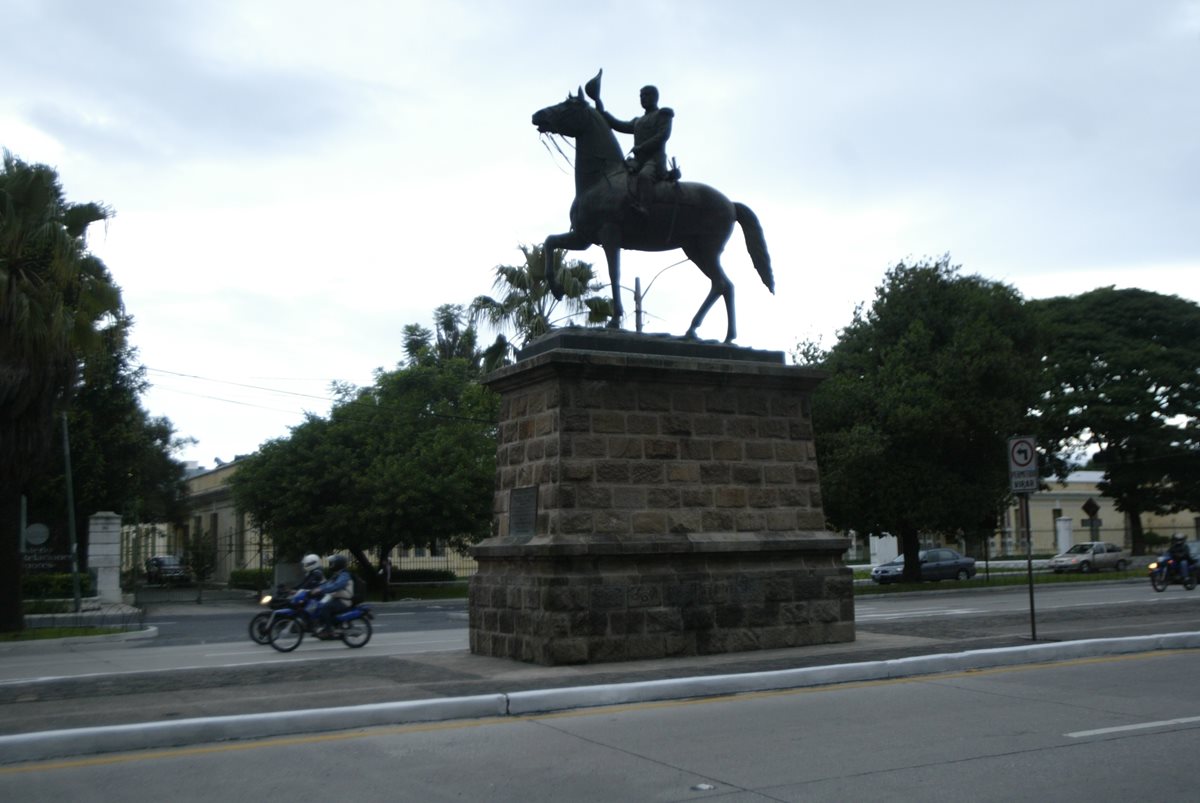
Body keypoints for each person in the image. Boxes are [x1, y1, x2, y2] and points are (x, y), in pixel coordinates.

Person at [597, 84, 674, 216]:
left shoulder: (663, 114)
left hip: (654, 159)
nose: (643, 98)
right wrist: (600, 108)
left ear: (655, 97)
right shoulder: (638, 121)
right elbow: (618, 125)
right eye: (641, 96)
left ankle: (645, 207)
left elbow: (663, 135)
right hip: (638, 161)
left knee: (644, 176)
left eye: (646, 95)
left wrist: (642, 147)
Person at [313, 554, 354, 637]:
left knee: (326, 608)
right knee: (320, 605)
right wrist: (317, 589)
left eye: (332, 563)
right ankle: (328, 626)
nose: (331, 565)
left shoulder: (344, 575)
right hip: (338, 598)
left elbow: (337, 586)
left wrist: (322, 590)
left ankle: (329, 631)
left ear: (338, 564)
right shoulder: (337, 574)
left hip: (344, 601)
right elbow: (328, 584)